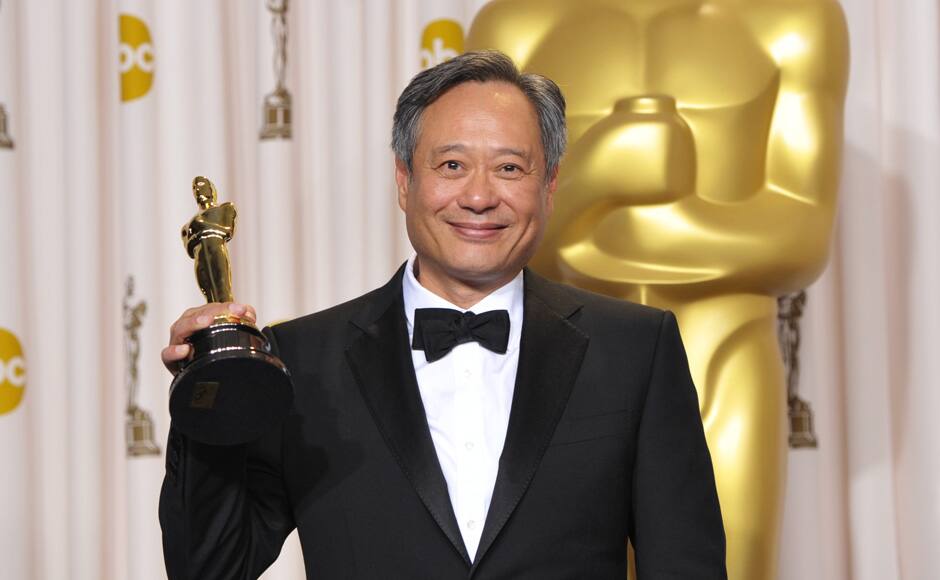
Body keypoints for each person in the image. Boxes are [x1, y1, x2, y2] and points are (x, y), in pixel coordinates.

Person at [159, 50, 726, 580]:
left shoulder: (635, 349)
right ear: (405, 181)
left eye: (509, 168)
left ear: (549, 186)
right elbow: (209, 569)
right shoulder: (301, 359)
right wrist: (208, 396)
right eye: (452, 164)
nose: (479, 197)